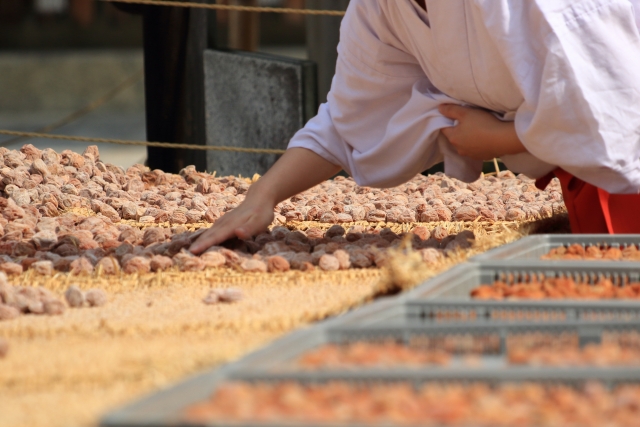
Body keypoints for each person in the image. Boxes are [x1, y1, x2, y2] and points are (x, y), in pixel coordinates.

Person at [190, 0, 640, 254]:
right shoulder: (380, 8)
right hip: (587, 172)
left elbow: (618, 102)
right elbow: (350, 118)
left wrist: (501, 138)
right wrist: (261, 196)